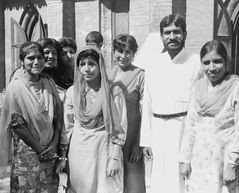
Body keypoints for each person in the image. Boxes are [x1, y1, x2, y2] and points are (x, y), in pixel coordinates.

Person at [139, 14, 202, 193]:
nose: (172, 37)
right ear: (161, 37)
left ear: (185, 34)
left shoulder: (196, 62)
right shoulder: (153, 64)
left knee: (183, 177)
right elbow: (148, 103)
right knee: (160, 177)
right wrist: (146, 140)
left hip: (185, 129)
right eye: (167, 33)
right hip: (158, 130)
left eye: (177, 32)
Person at [56, 45, 127, 193]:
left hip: (104, 151)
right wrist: (63, 157)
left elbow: (120, 127)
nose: (86, 69)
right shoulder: (72, 92)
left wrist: (114, 158)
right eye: (82, 64)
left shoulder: (113, 91)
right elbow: (67, 128)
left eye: (92, 64)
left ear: (100, 65)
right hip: (79, 153)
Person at [179, 40, 239, 193]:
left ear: (226, 61)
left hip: (224, 160)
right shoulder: (198, 87)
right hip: (199, 160)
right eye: (206, 62)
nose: (212, 68)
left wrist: (232, 164)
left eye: (217, 61)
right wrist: (185, 159)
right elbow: (190, 126)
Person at [0, 41, 63, 192]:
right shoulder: (16, 87)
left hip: (50, 151)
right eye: (31, 58)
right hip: (28, 153)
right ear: (22, 61)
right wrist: (40, 150)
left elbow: (58, 117)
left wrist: (54, 144)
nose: (36, 62)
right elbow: (17, 124)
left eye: (40, 57)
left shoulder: (49, 83)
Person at [110, 34, 145, 193]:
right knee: (112, 179)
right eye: (119, 50)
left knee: (133, 181)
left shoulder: (140, 75)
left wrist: (139, 144)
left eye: (128, 52)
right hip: (111, 134)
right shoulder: (107, 74)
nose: (123, 56)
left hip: (132, 134)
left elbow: (145, 110)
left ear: (133, 54)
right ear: (113, 51)